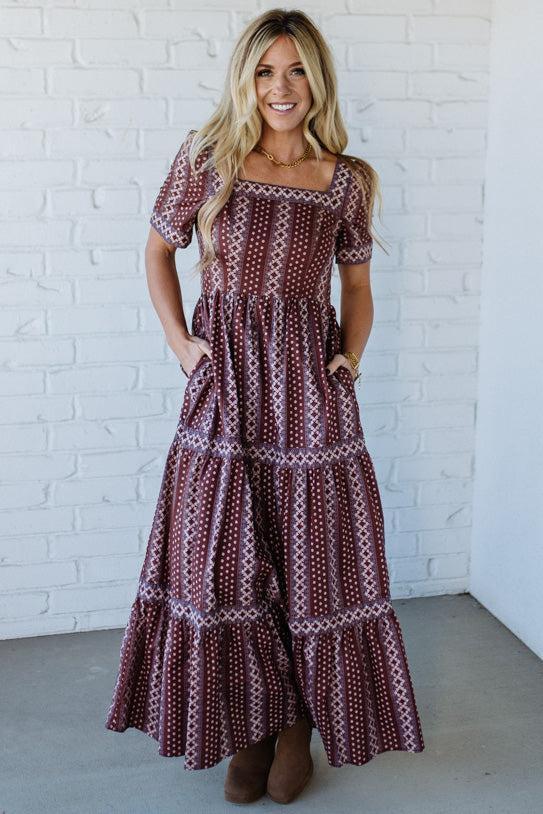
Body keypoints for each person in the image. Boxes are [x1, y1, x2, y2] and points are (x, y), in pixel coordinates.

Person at [105, 7, 425, 806]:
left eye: (295, 71)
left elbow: (354, 285)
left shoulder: (345, 179)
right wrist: (182, 343)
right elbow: (156, 247)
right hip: (227, 385)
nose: (280, 87)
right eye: (263, 71)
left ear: (316, 79)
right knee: (220, 563)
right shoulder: (206, 157)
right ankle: (245, 732)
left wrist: (348, 358)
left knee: (311, 562)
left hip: (310, 387)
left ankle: (296, 732)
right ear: (244, 78)